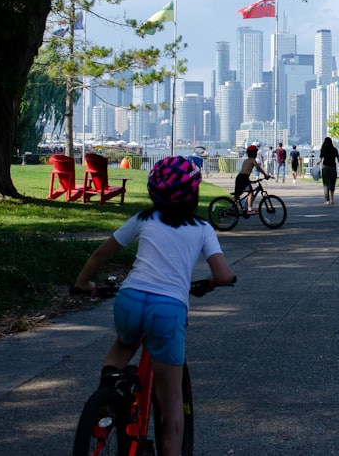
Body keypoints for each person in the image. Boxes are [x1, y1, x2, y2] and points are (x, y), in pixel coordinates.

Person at [74, 156, 235, 456]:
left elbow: (100, 255)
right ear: (193, 194)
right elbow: (223, 274)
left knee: (122, 346)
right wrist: (217, 282)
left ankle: (109, 400)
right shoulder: (201, 228)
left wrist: (84, 284)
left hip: (130, 300)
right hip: (168, 310)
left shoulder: (143, 220)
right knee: (172, 400)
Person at [236, 145, 270, 212]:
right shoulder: (252, 160)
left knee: (237, 195)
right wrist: (265, 175)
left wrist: (249, 181)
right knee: (251, 193)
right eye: (256, 153)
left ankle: (230, 207)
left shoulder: (246, 160)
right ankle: (249, 209)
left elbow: (244, 171)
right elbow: (258, 168)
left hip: (239, 177)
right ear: (254, 153)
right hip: (244, 177)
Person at [317, 136, 339, 205]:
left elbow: (320, 159)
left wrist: (316, 164)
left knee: (326, 184)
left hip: (325, 168)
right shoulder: (334, 149)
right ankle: (332, 199)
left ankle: (327, 200)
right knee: (332, 183)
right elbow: (338, 159)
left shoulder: (323, 149)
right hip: (333, 168)